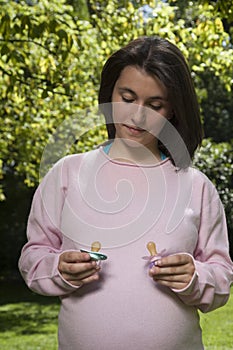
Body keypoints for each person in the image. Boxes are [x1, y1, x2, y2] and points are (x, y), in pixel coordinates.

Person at [18, 36, 233, 350]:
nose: (137, 115)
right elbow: (33, 257)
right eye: (127, 97)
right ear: (110, 95)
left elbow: (221, 279)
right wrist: (58, 268)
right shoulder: (67, 174)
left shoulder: (197, 186)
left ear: (173, 110)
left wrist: (195, 276)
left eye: (155, 105)